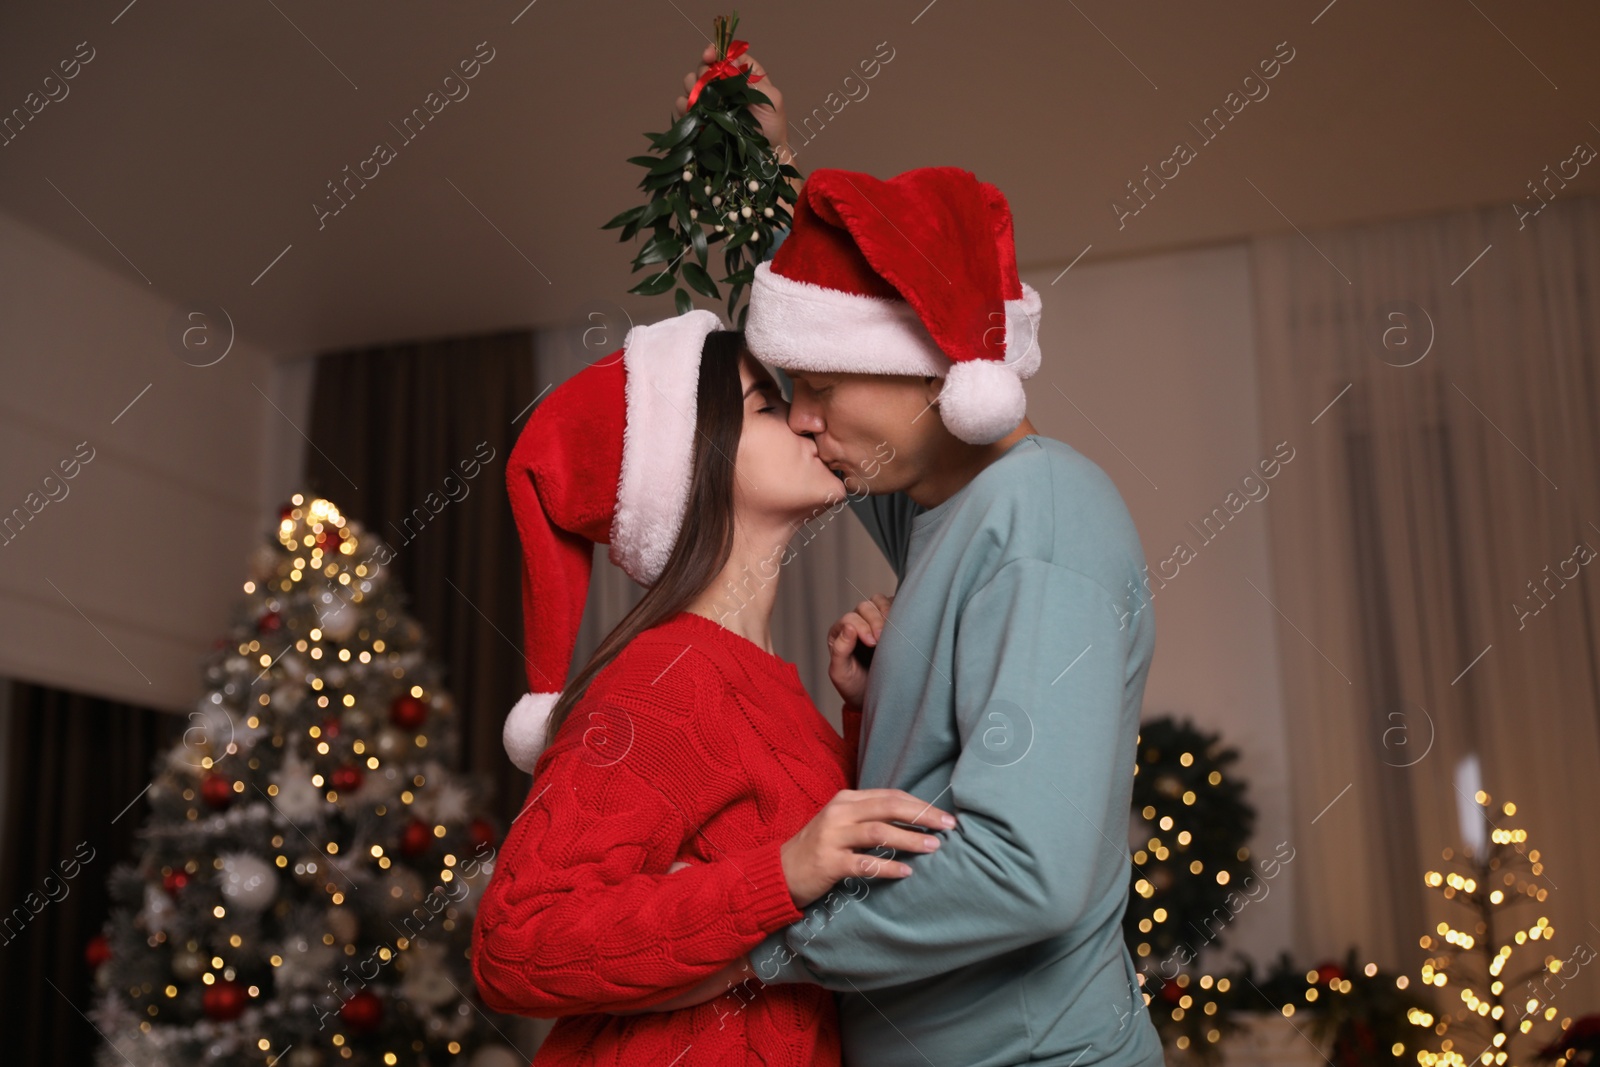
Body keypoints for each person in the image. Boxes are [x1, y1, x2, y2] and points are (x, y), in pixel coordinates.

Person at [652, 52, 1168, 1067]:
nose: (800, 419)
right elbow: (871, 269)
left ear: (925, 372)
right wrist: (760, 164)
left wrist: (764, 934)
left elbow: (1023, 867)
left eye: (818, 383)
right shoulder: (946, 503)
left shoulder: (1042, 512)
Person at [469, 309, 955, 1066]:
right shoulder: (663, 679)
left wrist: (863, 709)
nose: (805, 417)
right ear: (692, 460)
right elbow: (515, 942)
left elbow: (831, 895)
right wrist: (782, 872)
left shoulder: (767, 679)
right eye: (768, 404)